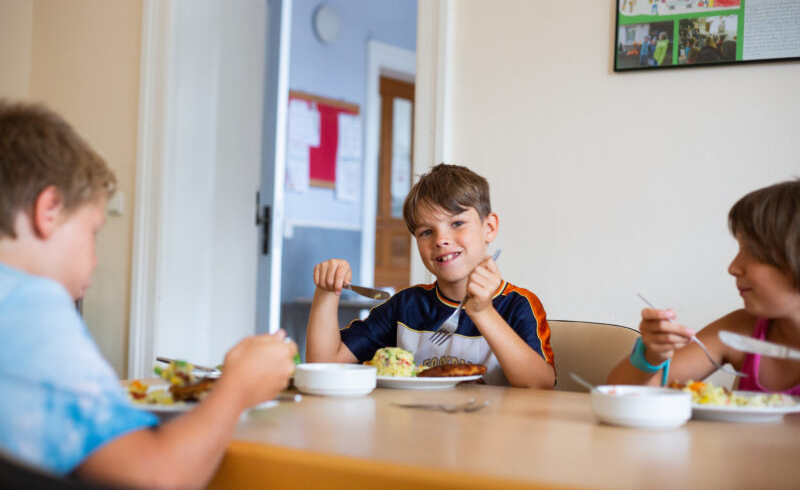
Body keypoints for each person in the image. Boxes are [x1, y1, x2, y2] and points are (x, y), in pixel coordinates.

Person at [0, 100, 297, 488]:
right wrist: (237, 387)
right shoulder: (30, 308)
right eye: (93, 231)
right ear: (50, 209)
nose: (93, 260)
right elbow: (156, 477)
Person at [306, 164, 555, 388]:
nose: (441, 240)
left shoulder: (518, 305)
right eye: (426, 232)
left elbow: (540, 385)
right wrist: (328, 292)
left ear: (489, 228)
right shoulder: (404, 308)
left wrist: (483, 312)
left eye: (457, 223)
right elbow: (324, 364)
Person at [607, 179, 800, 394]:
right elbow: (617, 393)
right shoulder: (741, 329)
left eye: (753, 252)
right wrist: (652, 356)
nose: (733, 267)